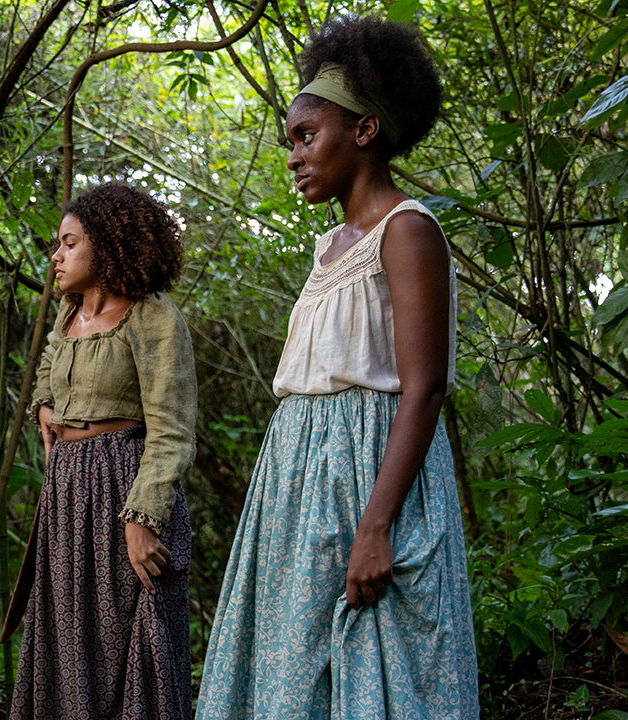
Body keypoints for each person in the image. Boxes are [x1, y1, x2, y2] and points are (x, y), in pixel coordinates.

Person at [195, 15, 478, 720]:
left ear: (364, 130)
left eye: (305, 136)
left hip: (367, 479)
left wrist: (376, 526)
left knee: (380, 671)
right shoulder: (328, 249)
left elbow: (425, 387)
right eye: (289, 141)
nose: (292, 155)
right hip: (297, 487)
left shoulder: (406, 231)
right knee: (295, 680)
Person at [3, 182, 198, 720]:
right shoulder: (68, 315)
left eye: (69, 243)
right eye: (57, 245)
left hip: (124, 485)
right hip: (67, 495)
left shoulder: (152, 317)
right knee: (70, 647)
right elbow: (47, 368)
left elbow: (173, 428)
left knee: (135, 649)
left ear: (108, 246)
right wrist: (44, 405)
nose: (56, 256)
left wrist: (144, 516)